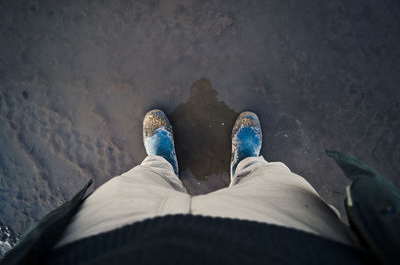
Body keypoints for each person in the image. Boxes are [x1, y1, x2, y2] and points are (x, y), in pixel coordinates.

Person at [2, 110, 373, 265]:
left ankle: (160, 165)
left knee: (133, 188)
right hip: (295, 246)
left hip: (102, 245)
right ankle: (247, 164)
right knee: (275, 187)